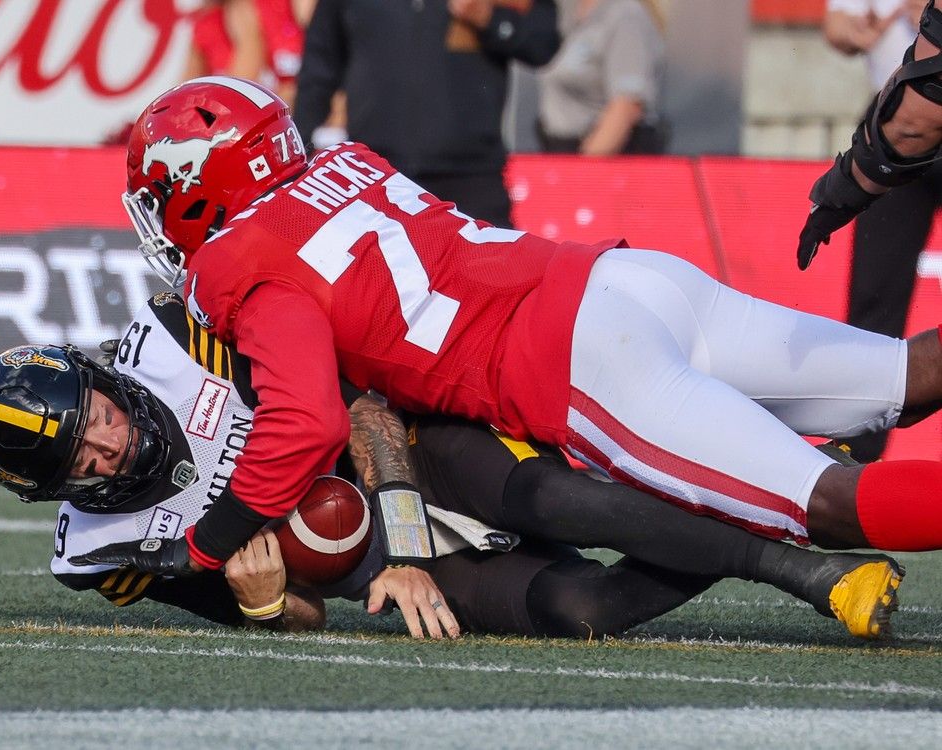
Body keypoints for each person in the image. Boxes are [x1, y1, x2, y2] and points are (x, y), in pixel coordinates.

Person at [109, 76, 942, 602]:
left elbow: (306, 423)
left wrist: (204, 542)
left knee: (829, 505)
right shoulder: (345, 163)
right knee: (908, 376)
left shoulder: (236, 261)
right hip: (628, 279)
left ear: (194, 186)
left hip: (579, 361)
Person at [0, 294, 908, 639]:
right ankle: (764, 488)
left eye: (101, 415)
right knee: (583, 611)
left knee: (561, 496)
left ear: (98, 377)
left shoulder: (177, 336)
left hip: (410, 451)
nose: (111, 443)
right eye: (82, 458)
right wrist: (255, 601)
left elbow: (364, 403)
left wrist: (405, 540)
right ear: (52, 490)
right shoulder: (101, 553)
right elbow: (303, 611)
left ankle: (810, 567)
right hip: (369, 568)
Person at [292, 0, 560, 227]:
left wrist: (488, 18)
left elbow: (543, 43)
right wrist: (297, 158)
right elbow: (318, 71)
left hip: (470, 177)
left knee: (491, 281)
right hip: (378, 177)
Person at [823, 0, 934, 462]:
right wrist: (856, 32)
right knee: (874, 293)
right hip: (895, 113)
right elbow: (837, 26)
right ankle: (855, 450)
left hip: (913, 112)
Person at [798, 1, 942, 270]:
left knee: (878, 295)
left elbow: (914, 124)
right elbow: (838, 22)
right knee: (879, 287)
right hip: (900, 119)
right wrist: (856, 33)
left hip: (904, 125)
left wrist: (845, 192)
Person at [537, 0, 667, 155]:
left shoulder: (625, 15)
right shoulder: (571, 14)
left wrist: (583, 171)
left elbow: (627, 105)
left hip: (603, 155)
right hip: (559, 150)